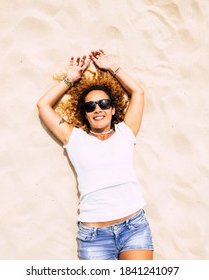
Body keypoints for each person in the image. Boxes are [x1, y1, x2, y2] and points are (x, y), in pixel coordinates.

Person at [37, 49, 153, 260]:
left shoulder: (125, 132)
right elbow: (43, 105)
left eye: (104, 104)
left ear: (113, 109)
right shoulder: (74, 138)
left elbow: (138, 93)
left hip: (133, 227)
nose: (97, 109)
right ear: (85, 113)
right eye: (90, 106)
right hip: (94, 235)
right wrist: (70, 79)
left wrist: (112, 67)